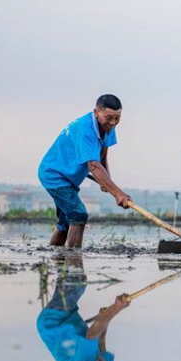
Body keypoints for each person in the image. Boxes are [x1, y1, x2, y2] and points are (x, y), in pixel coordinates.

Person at [38, 94, 132, 248]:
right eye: (109, 117)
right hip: (55, 175)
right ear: (96, 112)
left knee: (65, 224)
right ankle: (74, 266)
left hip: (69, 178)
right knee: (78, 214)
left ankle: (56, 261)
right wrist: (117, 193)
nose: (114, 123)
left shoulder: (108, 126)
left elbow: (102, 155)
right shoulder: (86, 130)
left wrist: (106, 180)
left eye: (118, 118)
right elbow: (93, 165)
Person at [36, 256, 129, 361]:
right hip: (66, 321)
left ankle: (72, 242)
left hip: (53, 322)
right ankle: (62, 250)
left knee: (78, 281)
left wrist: (116, 307)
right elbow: (101, 342)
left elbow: (92, 333)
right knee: (70, 279)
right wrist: (104, 315)